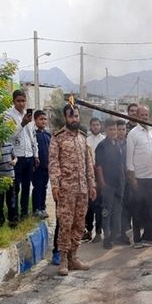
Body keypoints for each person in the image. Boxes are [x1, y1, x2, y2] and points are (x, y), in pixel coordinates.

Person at [49, 103, 96, 276]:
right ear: (65, 117)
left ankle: (73, 257)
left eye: (76, 116)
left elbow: (88, 165)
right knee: (65, 224)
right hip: (66, 190)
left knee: (79, 224)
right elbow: (53, 163)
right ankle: (62, 259)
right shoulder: (58, 138)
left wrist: (92, 185)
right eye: (71, 116)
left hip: (82, 190)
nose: (74, 119)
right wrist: (55, 185)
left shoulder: (83, 138)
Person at [127, 106, 152, 249]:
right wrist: (132, 178)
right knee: (137, 210)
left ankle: (148, 237)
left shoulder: (151, 132)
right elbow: (129, 159)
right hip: (138, 178)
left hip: (150, 178)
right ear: (137, 116)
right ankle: (137, 240)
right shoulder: (133, 134)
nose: (145, 117)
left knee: (150, 209)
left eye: (147, 115)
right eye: (142, 115)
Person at [4, 90, 38, 221]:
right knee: (14, 187)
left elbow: (33, 137)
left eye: (23, 101)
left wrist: (35, 155)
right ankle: (14, 215)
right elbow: (9, 135)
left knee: (26, 187)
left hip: (28, 156)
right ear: (13, 101)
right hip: (16, 156)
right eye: (18, 101)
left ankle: (24, 213)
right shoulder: (8, 115)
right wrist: (22, 124)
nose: (21, 103)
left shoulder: (29, 116)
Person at [95, 119, 125, 249]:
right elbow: (99, 166)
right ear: (106, 130)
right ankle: (106, 237)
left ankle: (114, 235)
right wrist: (102, 182)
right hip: (107, 183)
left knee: (117, 212)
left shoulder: (118, 144)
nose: (114, 132)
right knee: (107, 211)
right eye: (111, 130)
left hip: (118, 183)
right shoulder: (101, 146)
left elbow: (121, 164)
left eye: (115, 129)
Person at [84, 117, 104, 243]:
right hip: (89, 176)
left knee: (100, 206)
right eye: (93, 125)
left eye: (97, 125)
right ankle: (88, 230)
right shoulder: (86, 140)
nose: (95, 127)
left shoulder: (104, 140)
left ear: (100, 126)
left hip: (101, 175)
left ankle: (98, 232)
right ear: (90, 126)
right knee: (89, 206)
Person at [31, 110, 51, 219]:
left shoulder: (48, 135)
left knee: (44, 187)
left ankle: (43, 208)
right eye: (41, 119)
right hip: (37, 167)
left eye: (45, 119)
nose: (43, 121)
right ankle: (36, 209)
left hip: (46, 167)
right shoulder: (34, 134)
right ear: (35, 120)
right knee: (37, 187)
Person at [116, 119, 132, 245]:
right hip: (115, 181)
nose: (121, 132)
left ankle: (126, 233)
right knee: (116, 207)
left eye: (123, 129)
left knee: (127, 206)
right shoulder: (112, 143)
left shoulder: (129, 143)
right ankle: (116, 233)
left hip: (128, 180)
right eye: (119, 129)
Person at [0, 139, 17, 228]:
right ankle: (0, 220)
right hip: (0, 177)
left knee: (11, 200)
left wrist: (14, 161)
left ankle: (12, 220)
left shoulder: (9, 145)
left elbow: (15, 157)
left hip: (10, 176)